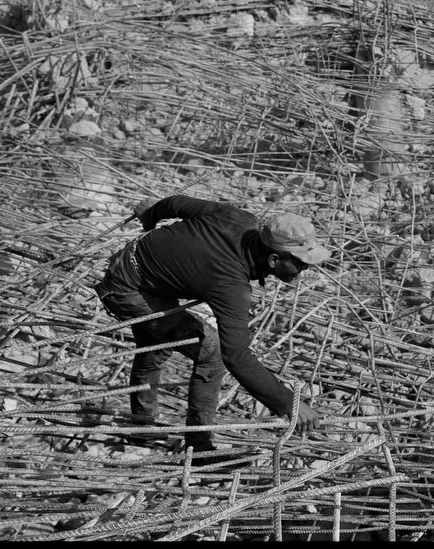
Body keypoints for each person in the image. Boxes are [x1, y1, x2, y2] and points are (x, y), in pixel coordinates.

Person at [93, 195, 325, 463]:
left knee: (154, 347)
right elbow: (236, 356)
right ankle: (199, 448)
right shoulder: (230, 285)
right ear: (273, 260)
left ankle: (141, 429)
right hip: (127, 290)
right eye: (300, 262)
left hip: (140, 269)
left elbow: (176, 203)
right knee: (211, 352)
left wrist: (151, 216)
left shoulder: (240, 219)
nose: (304, 269)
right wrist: (287, 403)